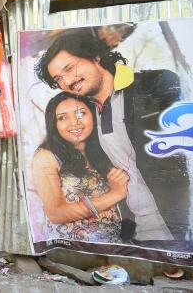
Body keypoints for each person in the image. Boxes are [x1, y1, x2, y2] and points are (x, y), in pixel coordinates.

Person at [36, 31, 190, 250]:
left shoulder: (153, 86)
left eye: (69, 68)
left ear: (95, 57)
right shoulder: (89, 113)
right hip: (134, 231)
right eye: (58, 79)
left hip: (179, 228)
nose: (67, 81)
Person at [31, 92, 128, 243]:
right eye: (62, 117)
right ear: (53, 124)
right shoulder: (46, 157)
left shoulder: (104, 151)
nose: (74, 122)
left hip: (113, 246)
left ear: (93, 116)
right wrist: (114, 195)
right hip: (73, 252)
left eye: (80, 113)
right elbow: (56, 214)